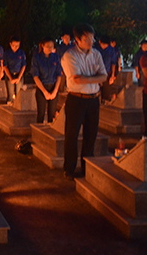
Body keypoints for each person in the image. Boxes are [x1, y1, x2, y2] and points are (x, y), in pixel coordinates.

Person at [61, 23, 107, 180]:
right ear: (78, 39)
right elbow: (76, 79)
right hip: (76, 99)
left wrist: (89, 78)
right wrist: (95, 78)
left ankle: (87, 168)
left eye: (92, 38)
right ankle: (69, 168)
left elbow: (104, 76)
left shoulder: (96, 55)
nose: (90, 41)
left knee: (91, 135)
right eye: (86, 38)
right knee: (71, 135)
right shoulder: (70, 56)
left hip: (93, 100)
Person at [31, 37, 62, 123]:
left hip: (53, 86)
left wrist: (55, 91)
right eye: (48, 46)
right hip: (42, 87)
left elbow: (59, 74)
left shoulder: (55, 57)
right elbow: (35, 76)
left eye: (52, 46)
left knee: (52, 115)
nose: (50, 49)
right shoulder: (37, 58)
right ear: (43, 46)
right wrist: (44, 92)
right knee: (41, 113)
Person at [3, 36, 26, 104]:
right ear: (10, 44)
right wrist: (10, 78)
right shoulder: (7, 53)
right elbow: (5, 66)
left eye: (17, 46)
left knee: (18, 94)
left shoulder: (21, 53)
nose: (15, 47)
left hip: (19, 74)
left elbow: (23, 65)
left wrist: (19, 77)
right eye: (14, 45)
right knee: (10, 94)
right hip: (10, 74)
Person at [96, 36, 116, 102]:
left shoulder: (111, 50)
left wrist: (112, 75)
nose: (104, 46)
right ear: (100, 42)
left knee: (106, 90)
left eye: (106, 45)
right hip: (97, 73)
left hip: (107, 72)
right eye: (103, 44)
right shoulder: (96, 49)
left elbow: (113, 63)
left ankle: (105, 101)